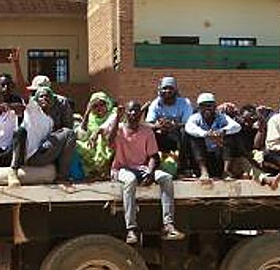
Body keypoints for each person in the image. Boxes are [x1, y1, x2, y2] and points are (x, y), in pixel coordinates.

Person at [107, 100, 185, 244]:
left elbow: (153, 156)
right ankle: (131, 229)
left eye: (136, 111)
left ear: (141, 114)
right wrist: (117, 117)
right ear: (126, 114)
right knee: (130, 181)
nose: (133, 113)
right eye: (130, 111)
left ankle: (168, 225)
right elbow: (109, 141)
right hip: (122, 168)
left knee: (166, 178)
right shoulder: (118, 129)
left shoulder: (147, 131)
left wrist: (150, 171)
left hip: (142, 168)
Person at [8, 85, 76, 186]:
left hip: (41, 153)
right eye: (41, 96)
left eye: (48, 96)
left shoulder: (50, 121)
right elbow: (23, 91)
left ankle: (61, 174)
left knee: (66, 134)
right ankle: (62, 176)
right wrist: (17, 68)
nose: (45, 98)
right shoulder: (33, 111)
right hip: (32, 156)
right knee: (69, 133)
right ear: (36, 100)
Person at [184, 92, 242, 181]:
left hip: (218, 158)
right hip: (200, 159)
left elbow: (236, 126)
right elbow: (189, 127)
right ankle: (203, 171)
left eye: (210, 105)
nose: (207, 108)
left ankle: (226, 171)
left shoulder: (222, 117)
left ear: (215, 107)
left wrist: (221, 132)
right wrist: (206, 134)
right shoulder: (195, 118)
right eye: (204, 106)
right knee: (193, 137)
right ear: (199, 108)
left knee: (229, 137)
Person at [145, 76, 194, 173]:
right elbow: (148, 123)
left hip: (179, 136)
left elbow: (188, 123)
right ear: (160, 90)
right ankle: (153, 164)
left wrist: (173, 125)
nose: (167, 91)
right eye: (164, 88)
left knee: (186, 131)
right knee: (149, 132)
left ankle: (183, 166)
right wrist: (157, 126)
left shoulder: (185, 103)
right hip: (162, 135)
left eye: (170, 88)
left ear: (175, 90)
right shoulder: (155, 104)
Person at [76, 91, 116, 181]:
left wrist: (98, 132)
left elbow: (107, 125)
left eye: (101, 105)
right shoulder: (91, 117)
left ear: (107, 104)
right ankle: (93, 172)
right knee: (76, 144)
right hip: (92, 147)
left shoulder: (113, 113)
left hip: (109, 146)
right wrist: (87, 113)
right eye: (95, 106)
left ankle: (103, 170)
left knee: (101, 138)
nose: (99, 108)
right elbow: (82, 135)